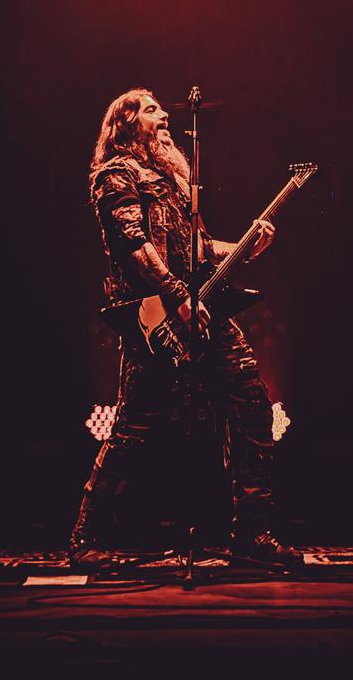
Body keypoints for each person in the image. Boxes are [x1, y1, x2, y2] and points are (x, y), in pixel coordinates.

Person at [69, 88, 303, 573]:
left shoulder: (176, 182)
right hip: (155, 316)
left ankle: (253, 535)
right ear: (126, 123)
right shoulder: (116, 175)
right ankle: (85, 539)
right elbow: (133, 245)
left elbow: (197, 248)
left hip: (198, 308)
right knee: (134, 427)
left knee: (253, 408)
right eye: (151, 109)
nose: (164, 116)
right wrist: (177, 295)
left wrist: (244, 246)